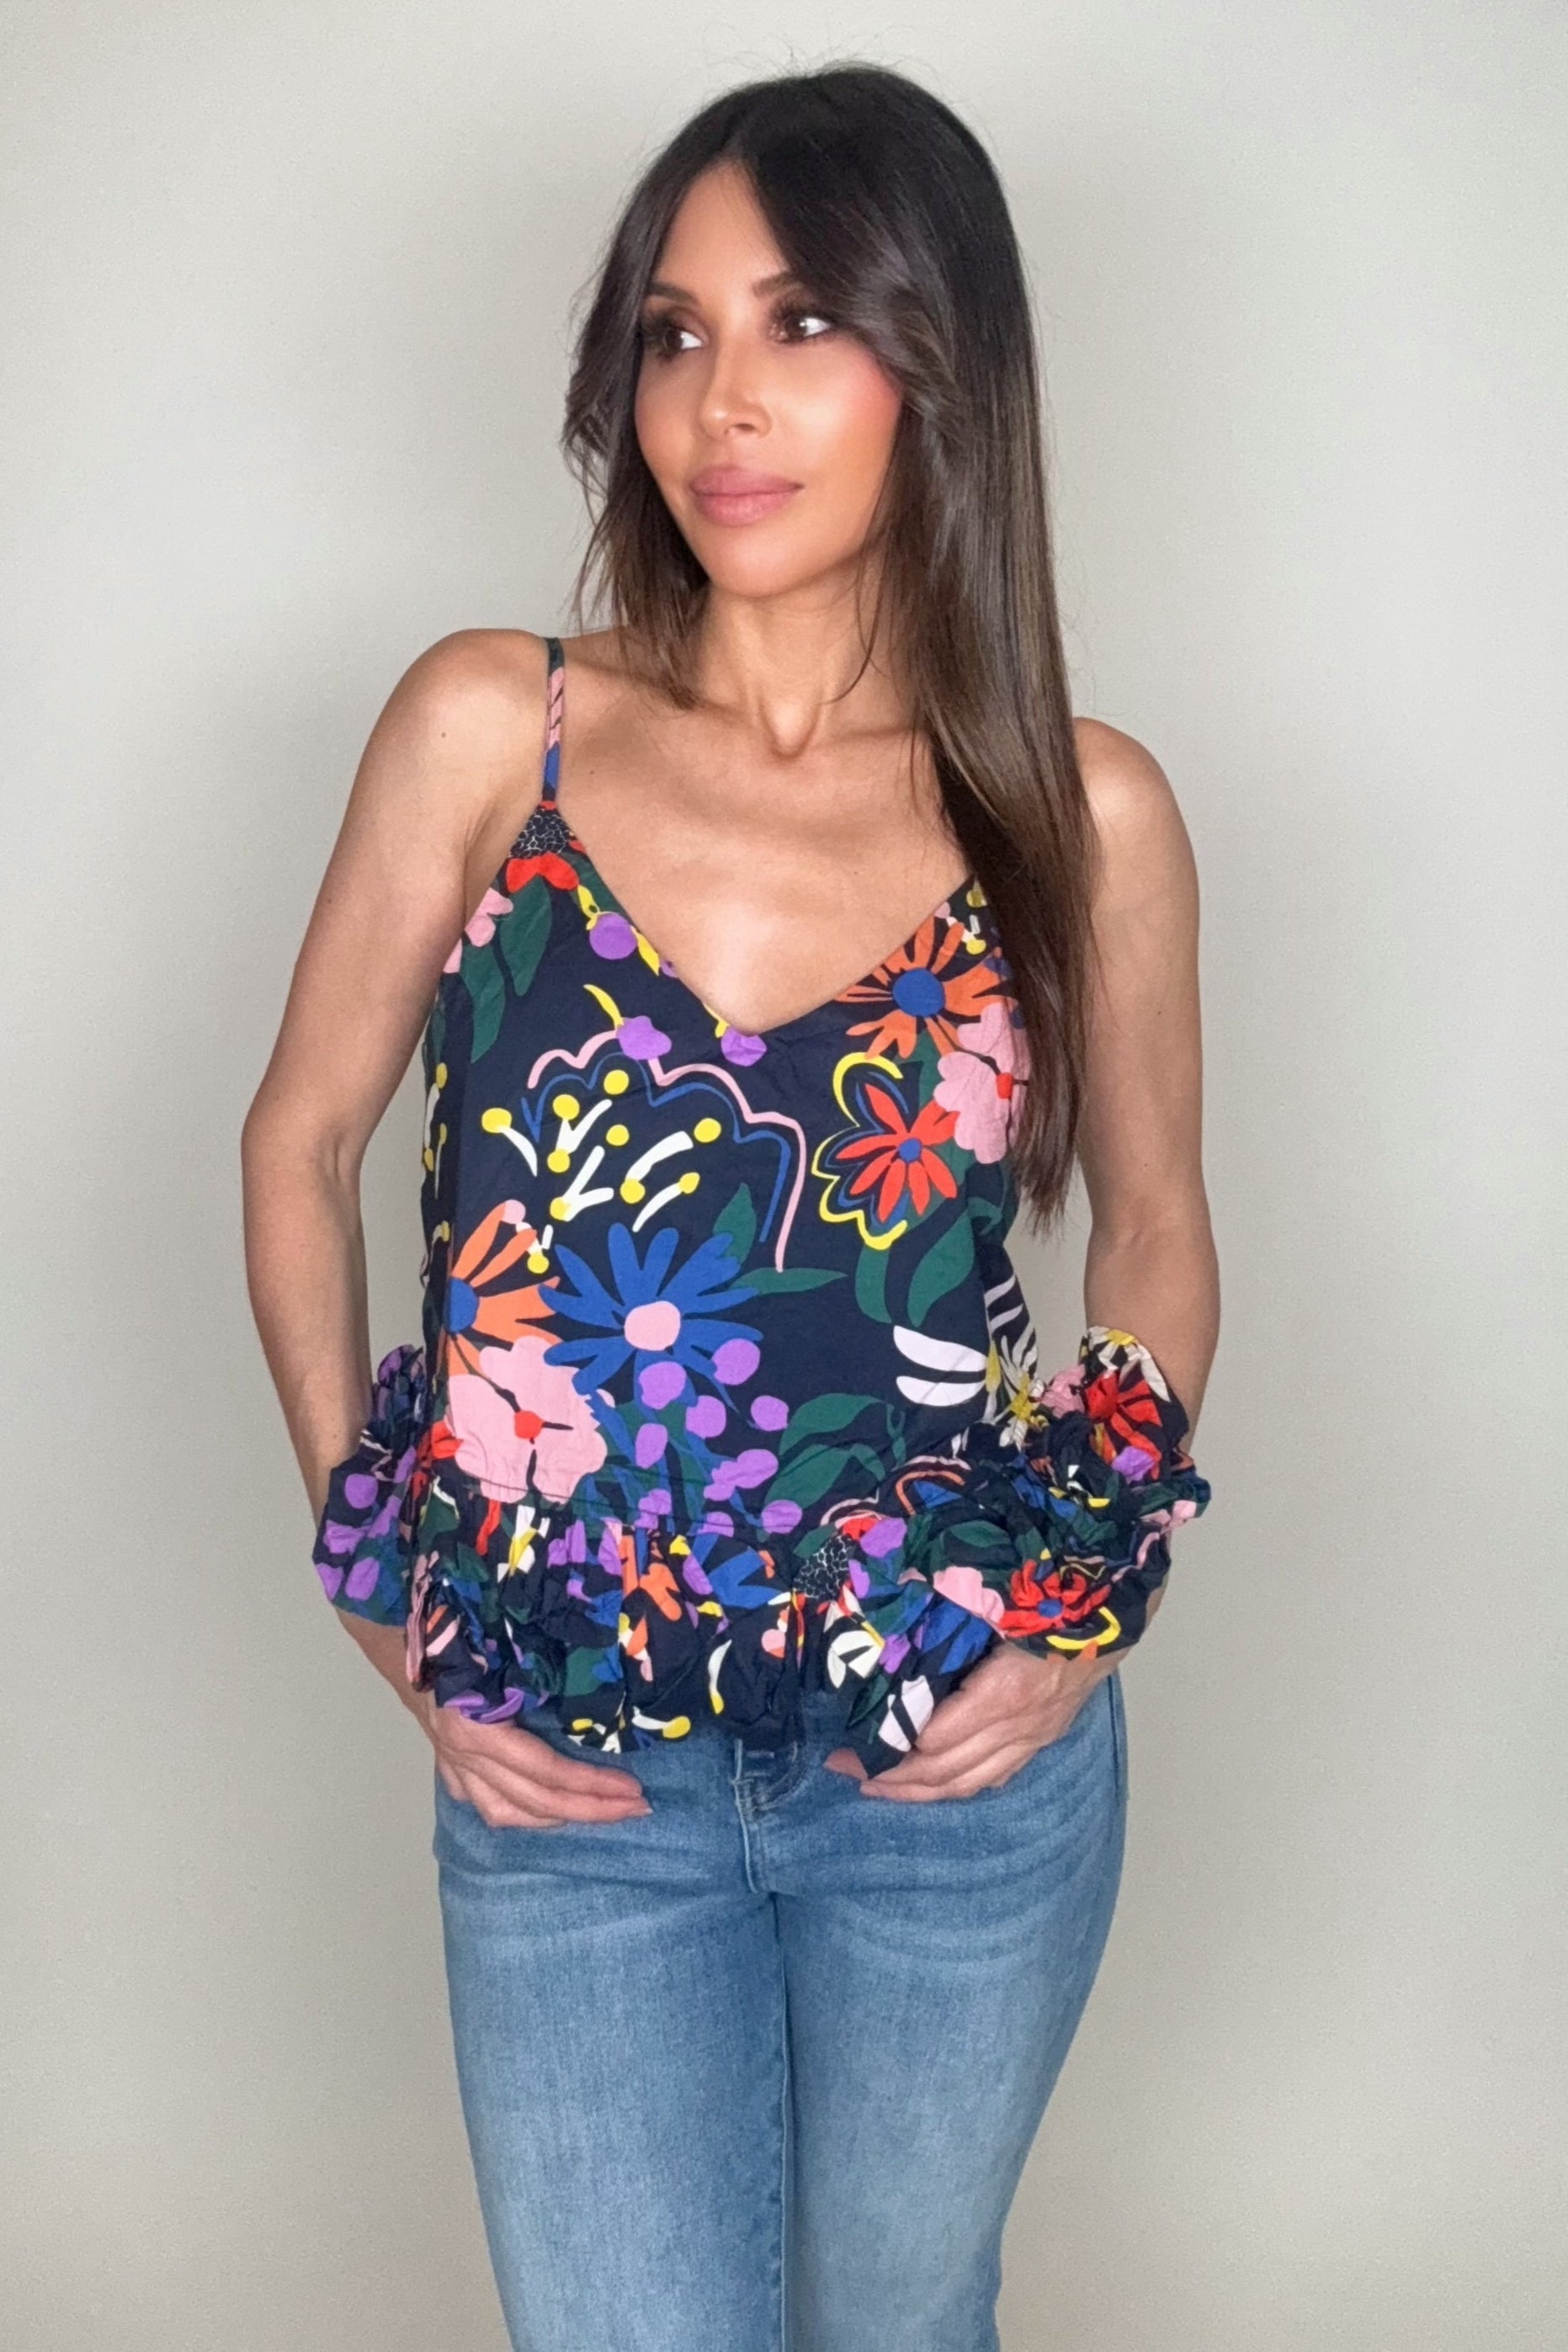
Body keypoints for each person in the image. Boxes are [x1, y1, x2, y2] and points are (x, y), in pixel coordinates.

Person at [242, 60, 1220, 2352]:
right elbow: (297, 1143)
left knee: (899, 2325)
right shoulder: (494, 731)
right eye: (673, 333)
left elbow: (1161, 1226)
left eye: (803, 324)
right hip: (575, 1767)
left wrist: (1076, 1603)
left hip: (948, 1765)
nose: (722, 403)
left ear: (940, 367)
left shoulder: (1076, 813)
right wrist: (378, 1572)